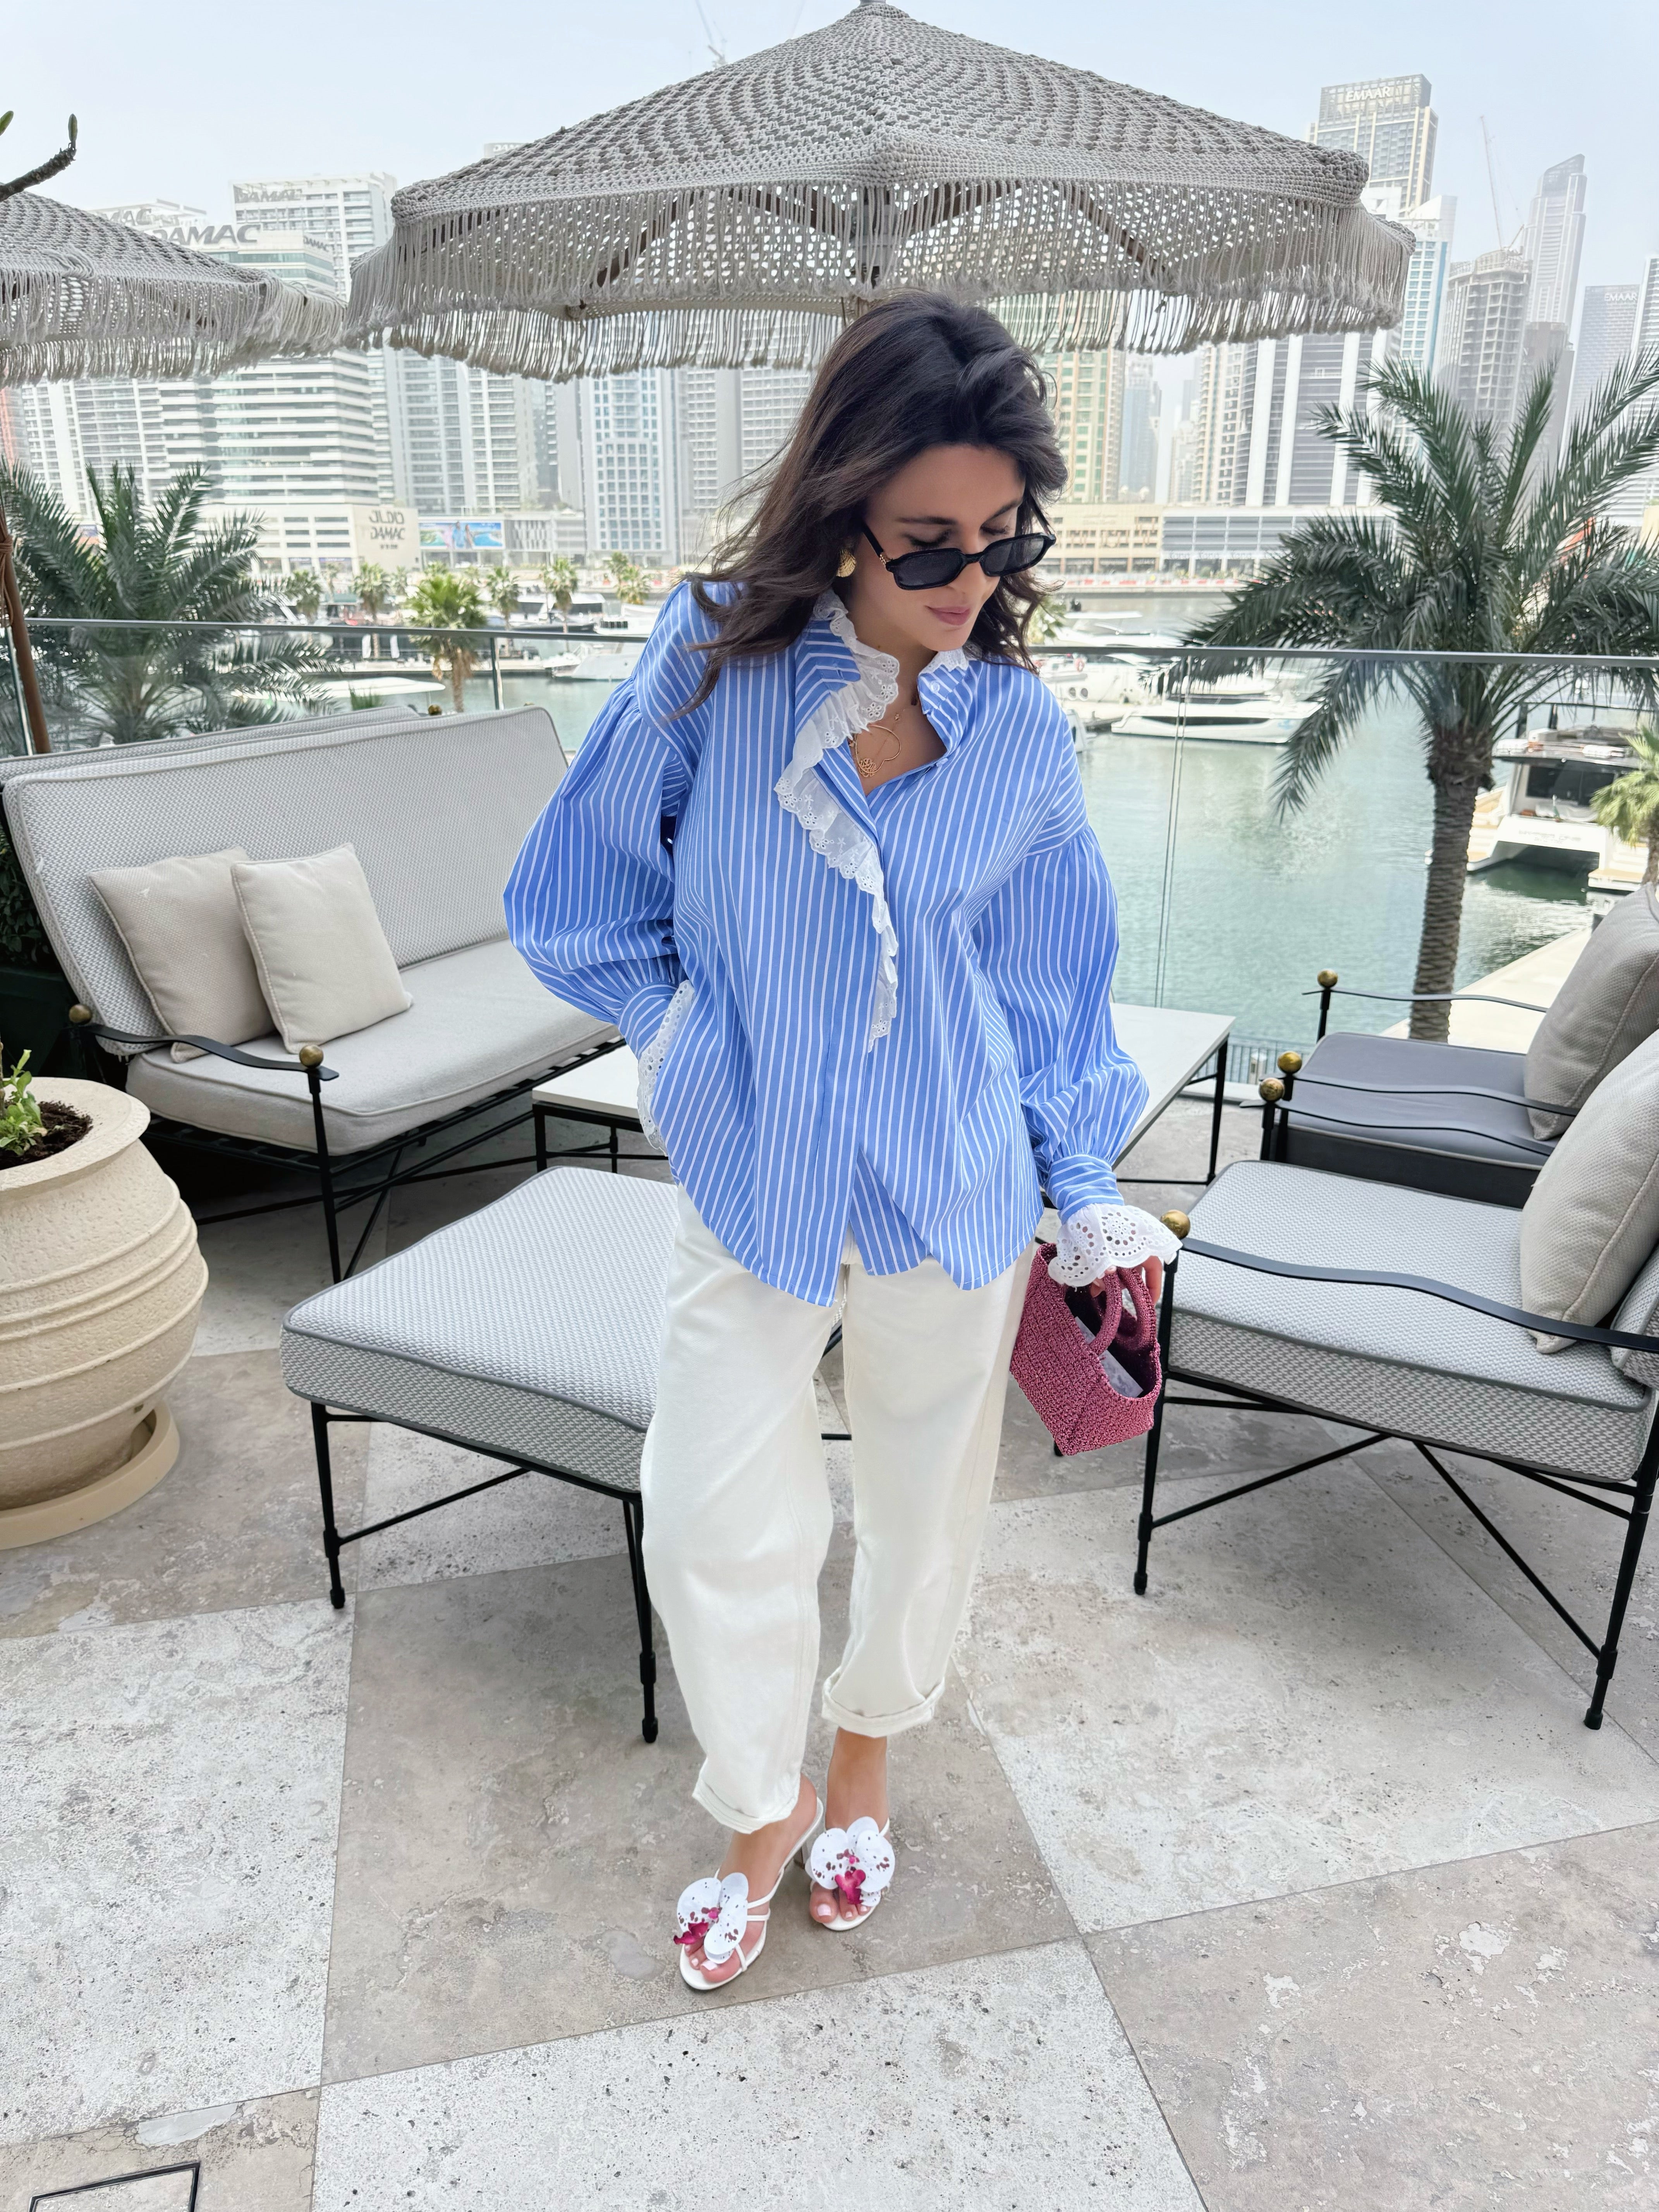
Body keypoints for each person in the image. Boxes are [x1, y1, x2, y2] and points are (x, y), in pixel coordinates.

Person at [505, 291, 1176, 1991]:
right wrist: (676, 1040)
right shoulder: (710, 660)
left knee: (925, 1505)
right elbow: (578, 892)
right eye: (930, 543)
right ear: (841, 510)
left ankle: (864, 1763)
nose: (971, 581)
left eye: (1003, 541)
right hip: (753, 1172)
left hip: (956, 1181)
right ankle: (763, 1805)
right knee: (704, 1513)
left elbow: (1049, 989)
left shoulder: (1019, 730)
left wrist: (1083, 1185)